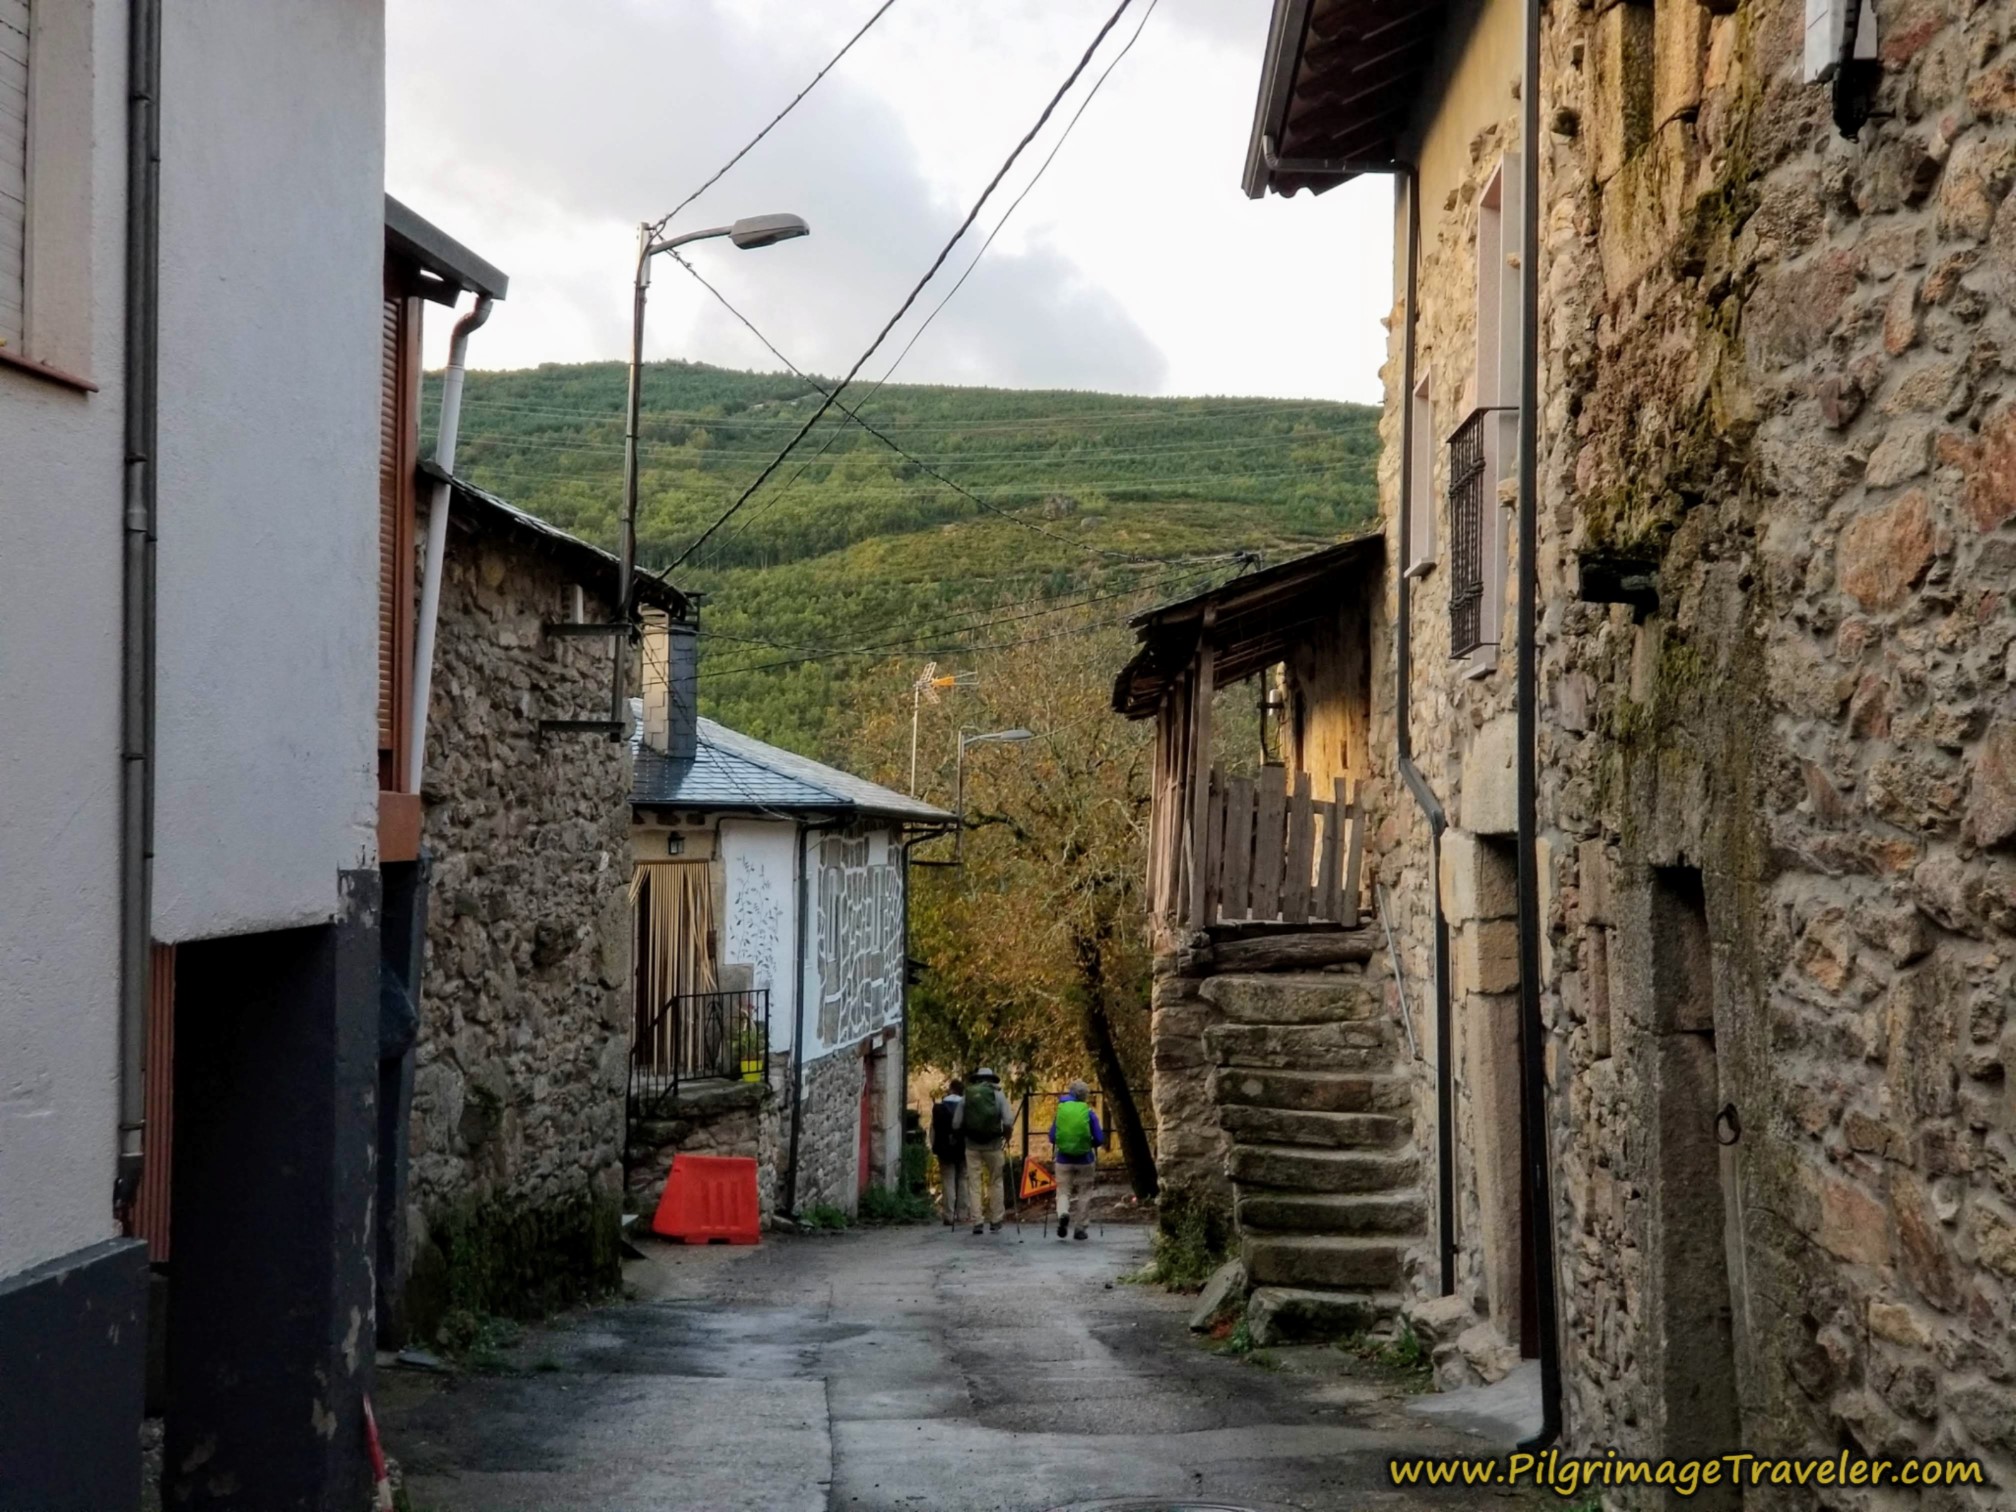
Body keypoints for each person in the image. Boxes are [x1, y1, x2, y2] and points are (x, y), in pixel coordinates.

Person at [953, 1067, 1012, 1234]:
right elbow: (1008, 1121)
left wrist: (962, 1137)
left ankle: (977, 1221)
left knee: (974, 1183)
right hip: (993, 1145)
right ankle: (996, 1219)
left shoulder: (967, 1096)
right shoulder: (999, 1095)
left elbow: (956, 1123)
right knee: (996, 1182)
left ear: (977, 1080)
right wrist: (1006, 1137)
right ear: (992, 1080)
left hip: (971, 1146)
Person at [1049, 1081, 1104, 1241]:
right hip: (1085, 1159)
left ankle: (1063, 1213)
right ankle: (1080, 1227)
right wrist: (1090, 1143)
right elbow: (1100, 1138)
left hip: (1063, 1159)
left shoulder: (1061, 1111)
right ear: (1084, 1096)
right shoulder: (1088, 1113)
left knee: (1063, 1191)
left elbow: (1052, 1137)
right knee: (1084, 1193)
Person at [930, 1079, 967, 1228]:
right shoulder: (966, 1106)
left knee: (948, 1180)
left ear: (950, 1090)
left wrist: (934, 1146)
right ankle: (963, 1213)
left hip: (944, 1149)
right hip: (963, 1148)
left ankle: (948, 1215)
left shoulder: (939, 1108)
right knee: (963, 1179)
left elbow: (933, 1131)